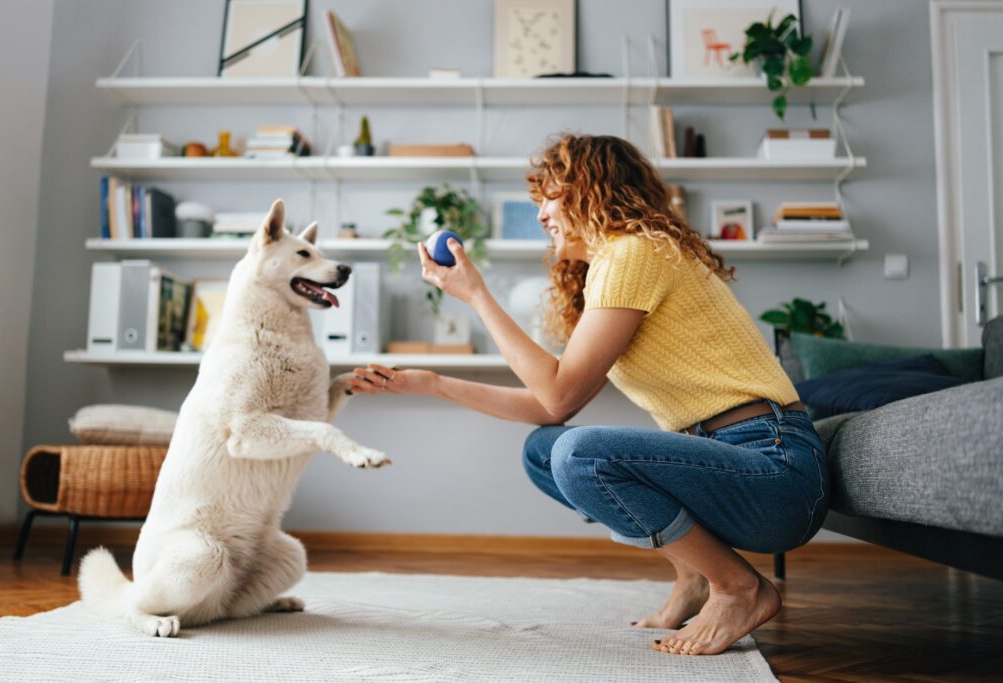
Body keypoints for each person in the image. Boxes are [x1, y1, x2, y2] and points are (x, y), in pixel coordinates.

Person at [347, 134, 829, 656]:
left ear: (594, 193)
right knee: (544, 452)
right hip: (728, 466)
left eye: (552, 196)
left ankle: (739, 587)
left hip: (774, 470)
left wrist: (477, 296)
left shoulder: (634, 252)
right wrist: (431, 384)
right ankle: (695, 573)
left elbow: (558, 395)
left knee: (580, 455)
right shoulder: (615, 267)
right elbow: (549, 408)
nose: (540, 215)